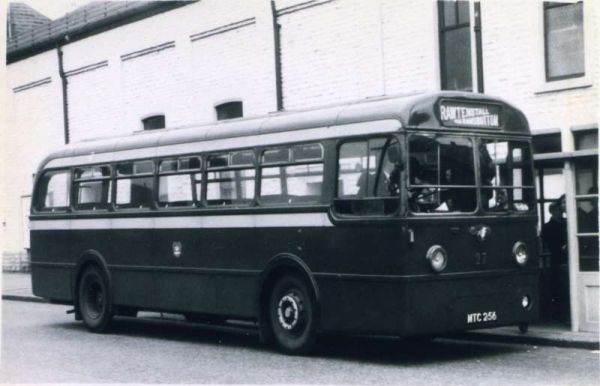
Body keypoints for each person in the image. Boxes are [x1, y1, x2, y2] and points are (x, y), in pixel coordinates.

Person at [542, 199, 569, 323]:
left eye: (560, 209)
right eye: (557, 210)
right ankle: (560, 314)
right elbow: (547, 243)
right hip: (556, 258)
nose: (560, 212)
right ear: (552, 212)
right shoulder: (547, 227)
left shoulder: (566, 222)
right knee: (558, 288)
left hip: (566, 258)